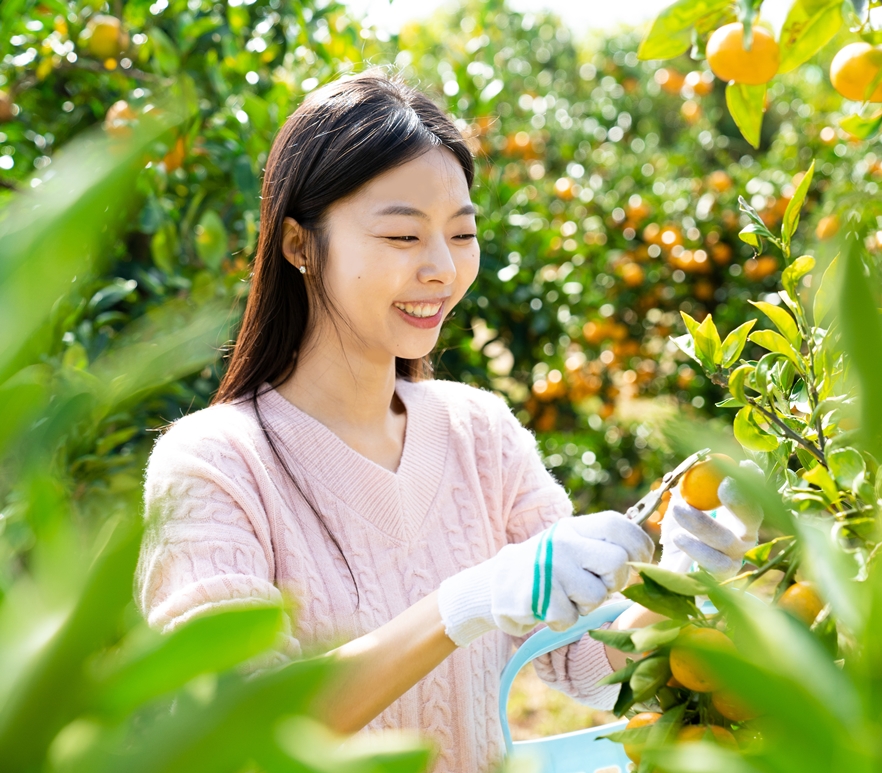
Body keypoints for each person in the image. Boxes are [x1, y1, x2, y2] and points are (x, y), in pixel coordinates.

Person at [134, 68, 761, 773]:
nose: (442, 268)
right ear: (298, 245)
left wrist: (679, 579)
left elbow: (589, 665)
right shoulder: (215, 464)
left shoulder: (479, 432)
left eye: (461, 235)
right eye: (403, 236)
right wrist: (461, 604)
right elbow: (232, 725)